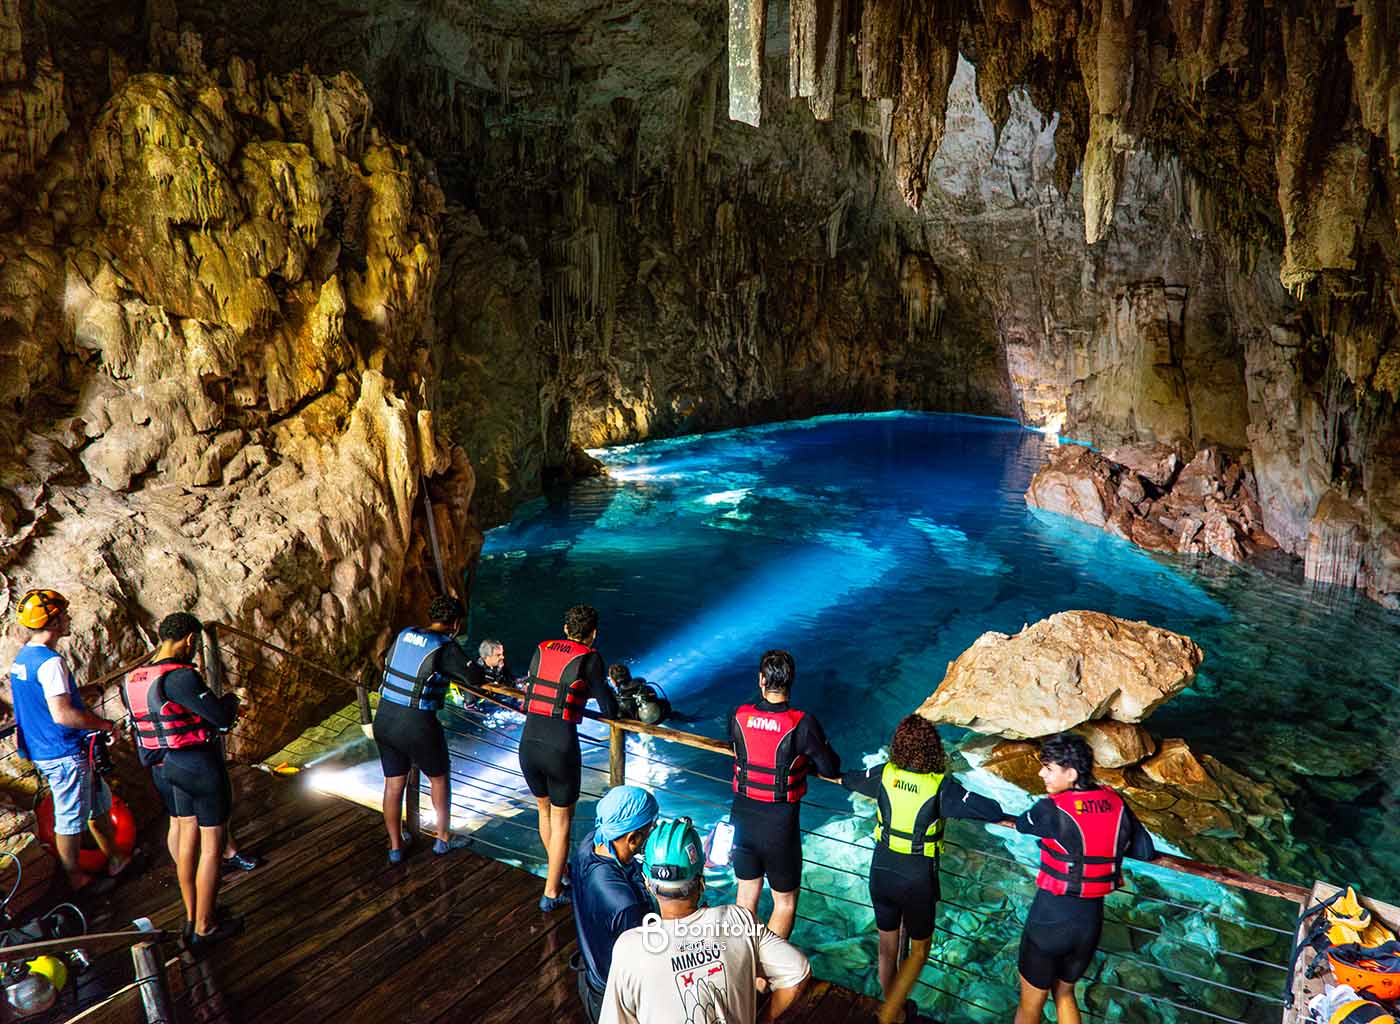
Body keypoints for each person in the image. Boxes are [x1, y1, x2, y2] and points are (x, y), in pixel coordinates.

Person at [841, 714, 1006, 1024]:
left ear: (898, 748)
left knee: (887, 951)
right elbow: (990, 809)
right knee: (918, 953)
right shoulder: (941, 787)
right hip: (916, 878)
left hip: (882, 871)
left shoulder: (885, 774)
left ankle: (897, 1012)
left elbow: (851, 778)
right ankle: (888, 1016)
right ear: (933, 749)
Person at [600, 817, 810, 1024]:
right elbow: (798, 972)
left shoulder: (630, 948)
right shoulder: (739, 920)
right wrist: (766, 1018)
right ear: (701, 881)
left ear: (648, 884)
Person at [1013, 732, 1156, 1024]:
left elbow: (1021, 824)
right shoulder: (1115, 802)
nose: (1042, 773)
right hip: (1089, 923)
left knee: (1030, 1006)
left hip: (1050, 920)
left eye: (1049, 768)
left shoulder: (1052, 809)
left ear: (1071, 772)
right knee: (1065, 995)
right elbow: (1144, 850)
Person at [123, 612, 244, 947]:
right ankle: (206, 925)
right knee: (213, 845)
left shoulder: (134, 678)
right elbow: (219, 717)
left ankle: (191, 914)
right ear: (190, 640)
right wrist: (232, 701)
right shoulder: (181, 678)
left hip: (166, 767)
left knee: (183, 832)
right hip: (199, 765)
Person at [8, 589, 128, 893]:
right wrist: (103, 724)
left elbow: (40, 699)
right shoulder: (50, 663)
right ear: (55, 621)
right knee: (70, 818)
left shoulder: (24, 658)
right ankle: (76, 879)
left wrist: (79, 691)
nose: (69, 617)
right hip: (63, 751)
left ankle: (116, 857)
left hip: (48, 747)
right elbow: (62, 714)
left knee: (98, 803)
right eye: (64, 613)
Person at [728, 649, 839, 939]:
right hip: (779, 825)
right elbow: (829, 767)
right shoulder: (802, 723)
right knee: (785, 902)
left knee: (746, 897)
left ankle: (744, 968)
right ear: (791, 682)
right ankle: (768, 975)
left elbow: (736, 748)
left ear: (761, 680)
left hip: (742, 818)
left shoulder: (740, 715)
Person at [519, 603, 619, 912]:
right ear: (593, 633)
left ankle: (558, 873)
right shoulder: (590, 659)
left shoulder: (541, 648)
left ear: (565, 629)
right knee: (562, 821)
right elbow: (608, 708)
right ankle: (551, 893)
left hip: (528, 744)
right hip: (559, 747)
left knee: (543, 811)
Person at [373, 595, 472, 864]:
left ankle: (395, 847)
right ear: (455, 624)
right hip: (417, 724)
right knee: (439, 778)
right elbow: (473, 676)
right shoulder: (445, 646)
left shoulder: (405, 634)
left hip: (384, 717)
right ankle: (443, 839)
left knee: (394, 784)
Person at [570, 785, 660, 1022]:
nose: (652, 834)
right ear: (632, 838)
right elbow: (650, 957)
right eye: (650, 830)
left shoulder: (589, 844)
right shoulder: (625, 905)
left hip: (592, 974)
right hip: (615, 999)